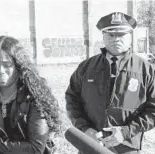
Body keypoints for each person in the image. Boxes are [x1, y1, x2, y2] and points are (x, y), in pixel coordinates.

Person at [65, 12, 155, 154]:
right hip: (90, 144)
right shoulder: (86, 67)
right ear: (103, 36)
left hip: (126, 146)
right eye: (111, 34)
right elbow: (72, 101)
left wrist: (125, 132)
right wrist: (85, 129)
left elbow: (153, 110)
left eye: (121, 34)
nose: (116, 39)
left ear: (130, 36)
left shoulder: (147, 70)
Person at [0, 36, 62, 154]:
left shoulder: (34, 98)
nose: (1, 70)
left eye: (7, 64)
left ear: (18, 66)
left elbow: (35, 149)